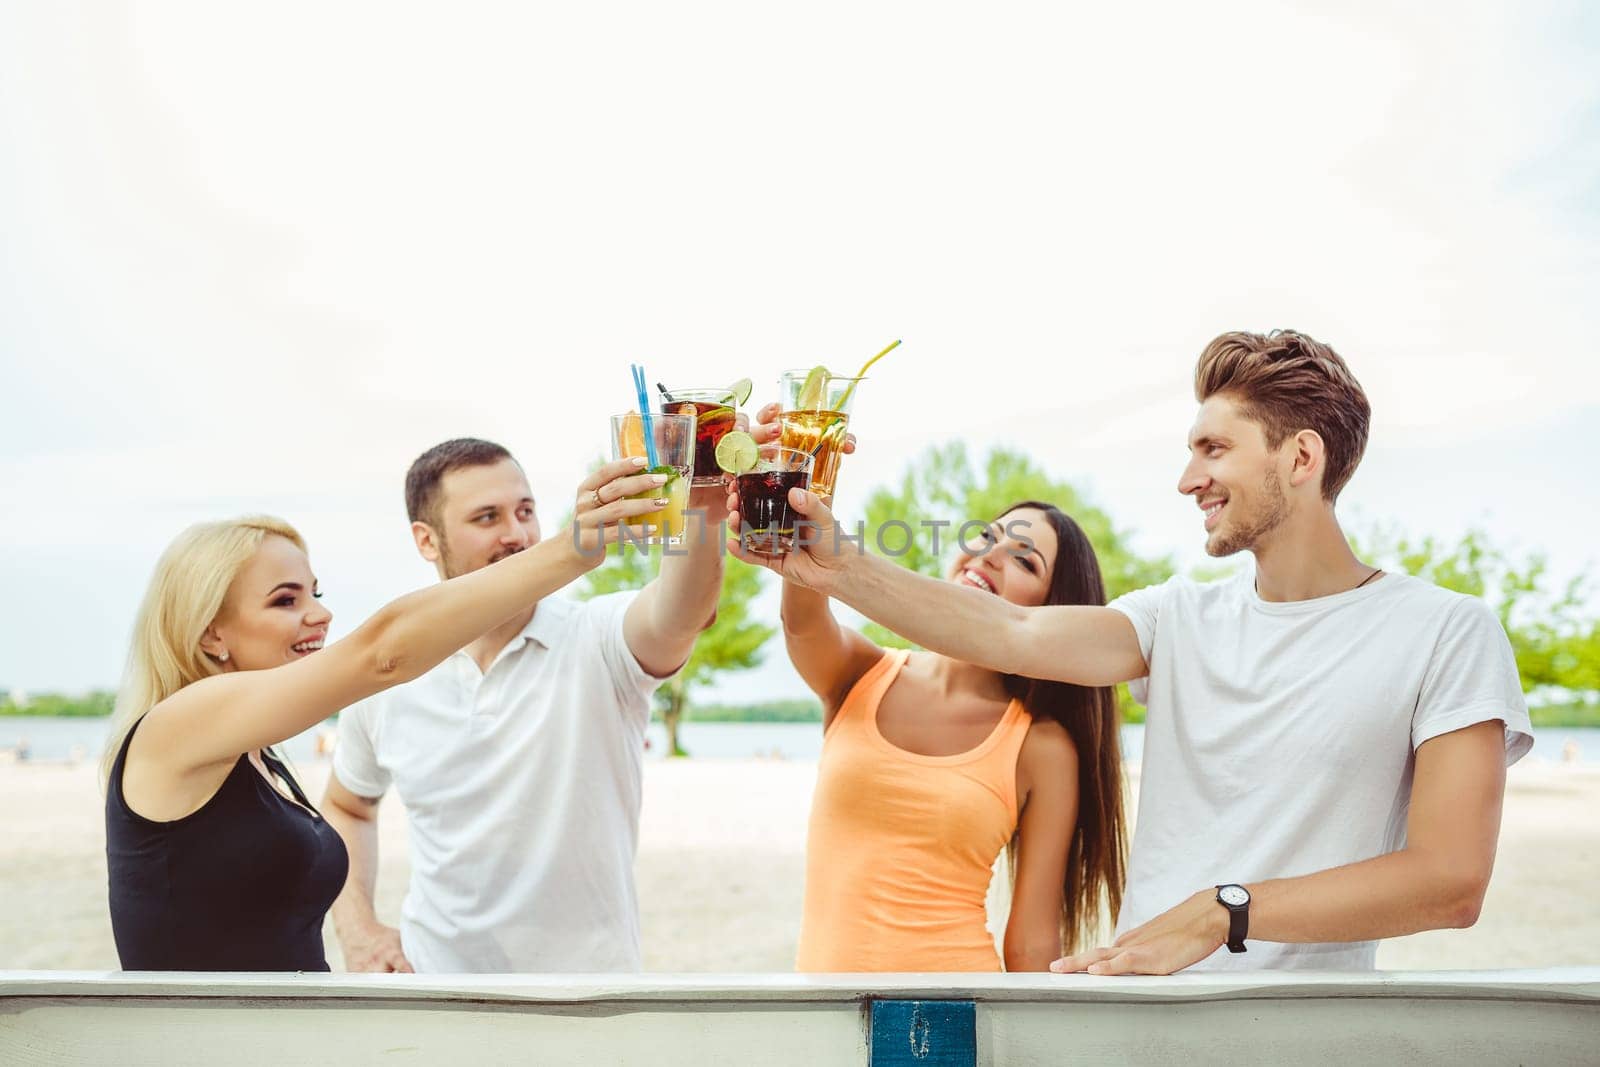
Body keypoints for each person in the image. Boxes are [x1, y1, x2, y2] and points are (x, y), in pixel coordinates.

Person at [731, 329, 1531, 973]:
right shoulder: (1176, 617)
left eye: (1214, 449)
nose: (1189, 479)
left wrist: (1227, 911)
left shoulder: (1446, 633)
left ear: (1301, 458)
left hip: (1304, 1035)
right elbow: (1007, 632)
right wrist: (836, 563)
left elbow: (1450, 881)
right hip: (1135, 1025)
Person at [101, 458, 659, 971]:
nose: (321, 615)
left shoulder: (254, 755)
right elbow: (383, 653)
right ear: (210, 631)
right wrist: (572, 550)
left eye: (314, 593)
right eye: (285, 600)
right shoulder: (181, 724)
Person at [322, 438, 731, 973]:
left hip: (592, 1001)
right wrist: (359, 931)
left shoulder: (600, 636)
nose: (516, 534)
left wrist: (703, 496)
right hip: (434, 994)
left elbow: (683, 610)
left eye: (526, 511)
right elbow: (348, 806)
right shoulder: (392, 670)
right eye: (487, 517)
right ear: (427, 540)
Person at [765, 468, 1126, 971]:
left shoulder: (1041, 746)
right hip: (819, 1020)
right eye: (987, 536)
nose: (992, 555)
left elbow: (1030, 944)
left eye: (1024, 560)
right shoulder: (861, 673)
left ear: (1050, 611)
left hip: (949, 1021)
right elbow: (801, 619)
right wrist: (805, 491)